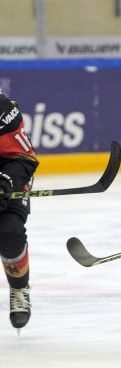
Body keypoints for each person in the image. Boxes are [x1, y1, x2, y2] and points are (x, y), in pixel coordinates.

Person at [0, 93, 38, 333]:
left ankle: (19, 286)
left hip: (5, 177)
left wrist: (6, 181)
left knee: (9, 233)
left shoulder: (2, 110)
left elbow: (24, 157)